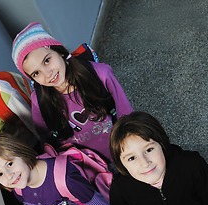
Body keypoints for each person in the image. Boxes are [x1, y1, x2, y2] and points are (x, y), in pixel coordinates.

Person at [11, 22, 133, 162]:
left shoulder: (101, 74)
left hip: (122, 148)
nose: (47, 74)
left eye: (47, 61)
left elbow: (126, 112)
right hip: (86, 165)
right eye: (36, 73)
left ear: (59, 52)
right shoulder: (39, 100)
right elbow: (48, 139)